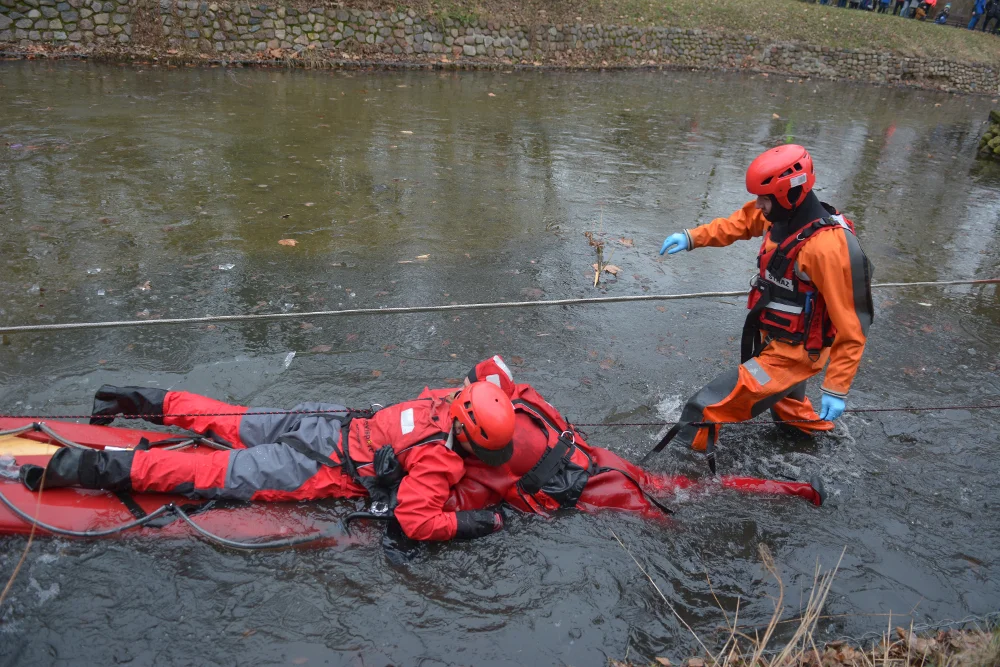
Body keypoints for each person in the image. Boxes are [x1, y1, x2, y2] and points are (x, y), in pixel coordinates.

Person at [19, 381, 518, 542]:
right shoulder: (442, 460)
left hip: (320, 420)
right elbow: (415, 520)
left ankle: (126, 398)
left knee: (227, 417)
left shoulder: (441, 396)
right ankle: (74, 469)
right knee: (203, 475)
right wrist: (476, 521)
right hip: (314, 464)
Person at [656, 145, 874, 466]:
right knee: (787, 409)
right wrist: (692, 237)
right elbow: (740, 223)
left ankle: (682, 477)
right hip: (776, 338)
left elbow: (854, 322)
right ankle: (815, 444)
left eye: (764, 198)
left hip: (794, 354)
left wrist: (837, 387)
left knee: (704, 408)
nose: (758, 205)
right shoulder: (779, 215)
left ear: (790, 194)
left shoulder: (829, 247)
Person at [433, 357, 825, 521]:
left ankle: (799, 492)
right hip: (603, 461)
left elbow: (456, 503)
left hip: (595, 493)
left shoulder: (484, 463)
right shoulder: (521, 400)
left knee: (673, 522)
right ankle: (798, 489)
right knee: (693, 489)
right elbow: (493, 368)